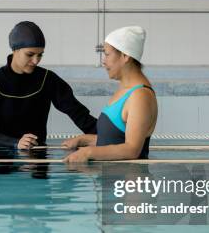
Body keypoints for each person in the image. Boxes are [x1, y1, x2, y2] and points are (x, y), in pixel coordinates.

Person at [0, 21, 97, 149]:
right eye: (30, 54)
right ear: (15, 50)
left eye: (40, 55)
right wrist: (15, 143)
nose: (35, 61)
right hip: (2, 158)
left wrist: (107, 136)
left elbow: (78, 113)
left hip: (37, 157)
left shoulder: (47, 79)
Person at [63, 26, 158, 162]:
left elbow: (132, 150)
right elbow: (113, 140)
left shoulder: (140, 96)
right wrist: (83, 140)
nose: (103, 60)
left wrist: (88, 153)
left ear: (125, 56)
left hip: (127, 181)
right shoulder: (125, 90)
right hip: (112, 179)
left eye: (107, 54)